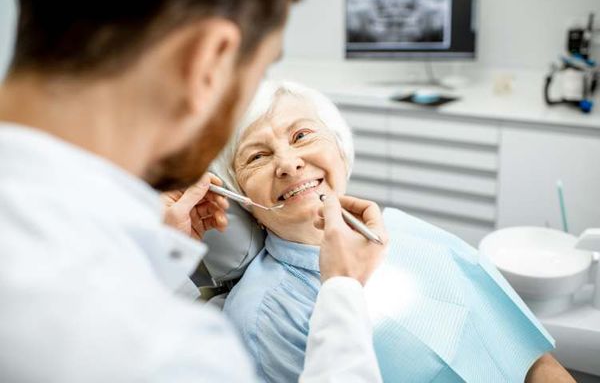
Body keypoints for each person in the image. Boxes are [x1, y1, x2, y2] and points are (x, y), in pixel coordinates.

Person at [0, 0, 388, 382]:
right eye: (262, 69)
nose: (289, 162)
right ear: (209, 59)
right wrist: (341, 292)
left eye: (302, 135)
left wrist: (154, 256)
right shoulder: (177, 353)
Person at [212, 80, 576, 383]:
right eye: (257, 157)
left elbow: (530, 358)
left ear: (340, 148)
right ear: (243, 198)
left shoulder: (411, 233)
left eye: (303, 135)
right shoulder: (264, 316)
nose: (289, 163)